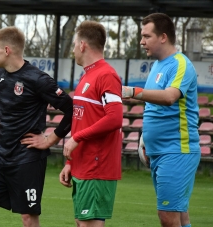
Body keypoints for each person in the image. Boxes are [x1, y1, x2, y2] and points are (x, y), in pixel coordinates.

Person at [0, 26, 73, 227]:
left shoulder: (39, 80)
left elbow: (71, 109)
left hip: (27, 158)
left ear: (7, 50)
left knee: (28, 218)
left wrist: (51, 139)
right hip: (0, 156)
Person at [122, 13, 200, 227]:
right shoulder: (157, 65)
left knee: (168, 216)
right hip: (159, 152)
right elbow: (152, 107)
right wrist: (144, 139)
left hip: (176, 151)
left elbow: (169, 97)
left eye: (147, 36)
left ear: (163, 37)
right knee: (179, 216)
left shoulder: (180, 64)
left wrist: (132, 91)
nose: (142, 41)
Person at [59, 21, 123, 227]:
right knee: (81, 222)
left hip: (97, 166)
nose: (74, 49)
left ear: (83, 45)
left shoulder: (106, 75)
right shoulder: (88, 76)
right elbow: (83, 121)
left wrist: (76, 138)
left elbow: (114, 118)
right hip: (82, 165)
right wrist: (70, 162)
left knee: (89, 224)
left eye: (75, 43)